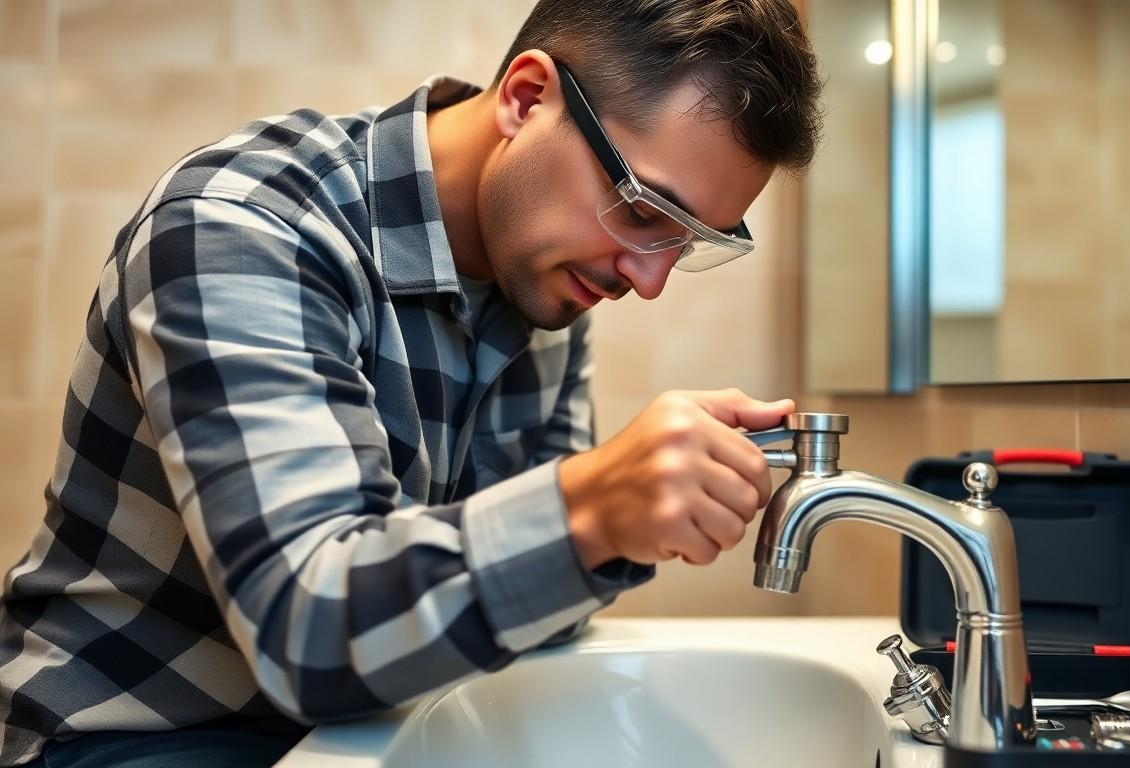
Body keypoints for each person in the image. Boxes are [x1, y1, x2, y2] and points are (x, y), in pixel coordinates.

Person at [0, 0, 823, 765]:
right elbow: (307, 634)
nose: (648, 281)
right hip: (136, 732)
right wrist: (589, 509)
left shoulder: (547, 278)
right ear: (528, 98)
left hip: (359, 727)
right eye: (644, 211)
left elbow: (527, 607)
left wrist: (633, 515)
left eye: (688, 242)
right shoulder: (243, 223)